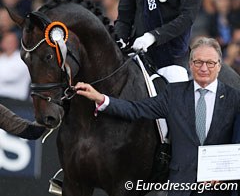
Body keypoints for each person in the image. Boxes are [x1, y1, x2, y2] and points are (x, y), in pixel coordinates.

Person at [75, 37, 240, 196]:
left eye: (210, 63)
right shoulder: (173, 94)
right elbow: (136, 109)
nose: (204, 68)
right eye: (198, 62)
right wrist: (101, 99)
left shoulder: (235, 99)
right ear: (190, 64)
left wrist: (226, 173)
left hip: (219, 187)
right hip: (181, 187)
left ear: (219, 65)